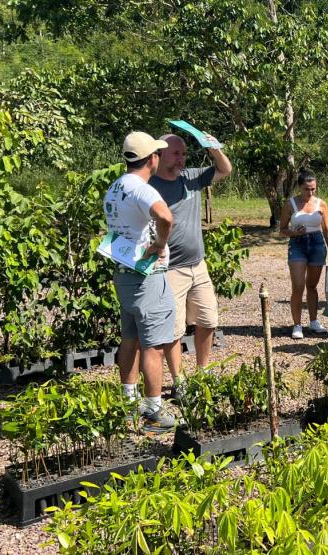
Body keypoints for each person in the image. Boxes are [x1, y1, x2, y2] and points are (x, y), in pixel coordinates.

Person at [104, 132, 177, 433]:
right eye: (158, 153)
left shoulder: (116, 186)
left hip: (124, 272)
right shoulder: (141, 189)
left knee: (130, 339)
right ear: (152, 158)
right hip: (148, 277)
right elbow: (165, 217)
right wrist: (160, 244)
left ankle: (128, 404)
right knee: (153, 346)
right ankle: (154, 412)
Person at [149, 132, 232, 392]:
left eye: (184, 154)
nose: (181, 159)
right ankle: (179, 381)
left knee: (208, 319)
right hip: (169, 269)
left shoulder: (191, 177)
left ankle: (202, 372)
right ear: (159, 154)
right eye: (176, 153)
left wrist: (213, 147)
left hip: (198, 265)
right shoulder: (149, 185)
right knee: (174, 330)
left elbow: (225, 169)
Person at [278, 170, 328, 338]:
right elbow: (282, 230)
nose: (310, 193)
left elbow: (327, 231)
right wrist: (294, 232)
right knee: (298, 286)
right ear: (300, 187)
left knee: (312, 285)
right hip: (297, 244)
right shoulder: (290, 204)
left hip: (317, 244)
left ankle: (313, 321)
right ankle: (297, 325)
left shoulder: (321, 204)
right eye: (306, 189)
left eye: (313, 189)